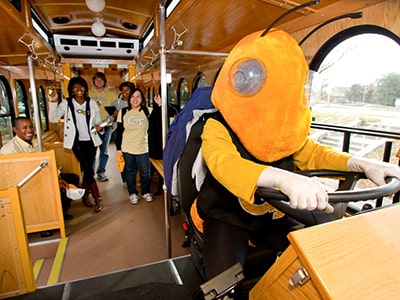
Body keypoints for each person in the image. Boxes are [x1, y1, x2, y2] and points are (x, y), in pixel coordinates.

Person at [182, 28, 400, 285]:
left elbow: (315, 154)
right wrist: (282, 178)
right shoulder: (217, 126)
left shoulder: (286, 132)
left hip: (272, 216)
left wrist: (358, 162)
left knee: (315, 261)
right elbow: (226, 165)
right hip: (227, 214)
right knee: (222, 283)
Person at [0, 117, 80, 236]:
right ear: (15, 130)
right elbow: (15, 176)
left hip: (43, 176)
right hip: (27, 184)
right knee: (47, 190)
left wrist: (57, 178)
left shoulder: (37, 143)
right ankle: (44, 223)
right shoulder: (9, 150)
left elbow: (49, 162)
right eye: (25, 128)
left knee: (72, 179)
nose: (29, 130)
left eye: (31, 127)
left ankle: (59, 212)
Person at [49, 76, 104, 213]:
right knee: (88, 169)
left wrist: (100, 127)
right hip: (76, 142)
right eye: (75, 87)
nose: (79, 89)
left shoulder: (91, 103)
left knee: (87, 170)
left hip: (91, 141)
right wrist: (53, 102)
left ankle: (85, 195)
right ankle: (98, 198)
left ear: (85, 89)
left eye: (81, 86)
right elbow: (53, 118)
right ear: (71, 90)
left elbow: (98, 121)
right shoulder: (66, 103)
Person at [115, 88, 161, 204]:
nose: (135, 99)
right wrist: (118, 149)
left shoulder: (147, 111)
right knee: (130, 172)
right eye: (133, 97)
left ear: (142, 99)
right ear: (129, 98)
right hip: (127, 147)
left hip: (143, 147)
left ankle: (145, 192)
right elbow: (119, 131)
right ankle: (133, 193)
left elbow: (159, 118)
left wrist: (159, 105)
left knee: (146, 173)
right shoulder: (123, 112)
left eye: (138, 97)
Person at [89, 72, 117, 182]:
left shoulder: (110, 94)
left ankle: (101, 172)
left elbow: (115, 111)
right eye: (96, 80)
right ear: (93, 81)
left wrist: (111, 122)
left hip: (106, 126)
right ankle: (90, 174)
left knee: (104, 150)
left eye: (101, 80)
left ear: (104, 82)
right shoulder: (89, 94)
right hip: (93, 127)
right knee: (92, 151)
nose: (99, 82)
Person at [110, 81, 136, 185]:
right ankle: (125, 179)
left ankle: (133, 177)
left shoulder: (136, 102)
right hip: (119, 132)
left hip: (133, 133)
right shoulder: (116, 103)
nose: (125, 92)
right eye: (123, 90)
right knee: (122, 156)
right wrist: (113, 115)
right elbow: (110, 118)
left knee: (133, 156)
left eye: (127, 90)